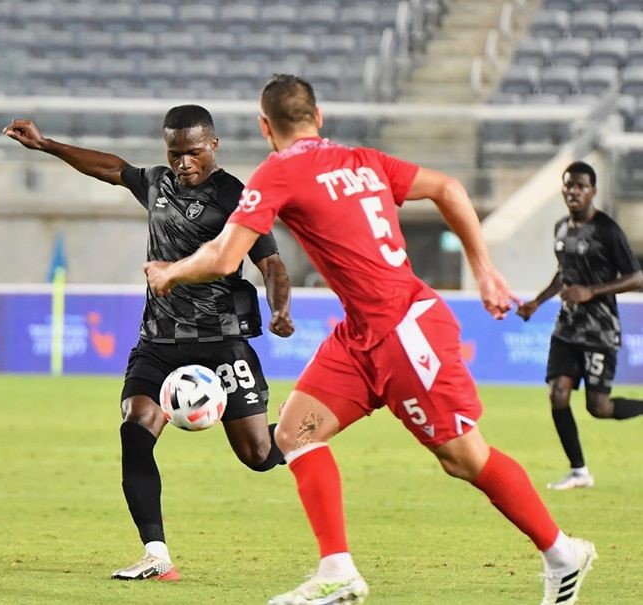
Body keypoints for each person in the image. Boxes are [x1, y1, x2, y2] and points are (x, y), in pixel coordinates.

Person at [144, 75, 595, 605]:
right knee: (295, 432)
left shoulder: (280, 170)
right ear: (319, 116)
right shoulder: (362, 159)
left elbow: (224, 257)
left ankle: (562, 553)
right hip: (360, 334)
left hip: (405, 331)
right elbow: (449, 188)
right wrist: (484, 269)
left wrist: (171, 272)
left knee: (464, 458)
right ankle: (337, 571)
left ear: (265, 127)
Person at [4, 105, 294, 581]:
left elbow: (273, 265)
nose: (183, 163)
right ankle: (156, 555)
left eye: (193, 152)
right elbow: (112, 169)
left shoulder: (237, 199)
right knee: (135, 426)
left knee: (258, 456)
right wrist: (46, 144)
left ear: (214, 145)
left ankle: (306, 426)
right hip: (158, 342)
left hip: (220, 342)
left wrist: (280, 308)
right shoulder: (158, 184)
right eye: (175, 153)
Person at [517, 161, 643, 491]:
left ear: (593, 191)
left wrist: (591, 291)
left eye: (581, 186)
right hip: (567, 328)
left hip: (600, 329)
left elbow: (636, 277)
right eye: (569, 185)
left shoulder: (607, 230)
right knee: (558, 393)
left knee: (599, 407)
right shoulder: (561, 228)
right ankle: (578, 471)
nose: (573, 191)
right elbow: (564, 273)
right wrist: (537, 302)